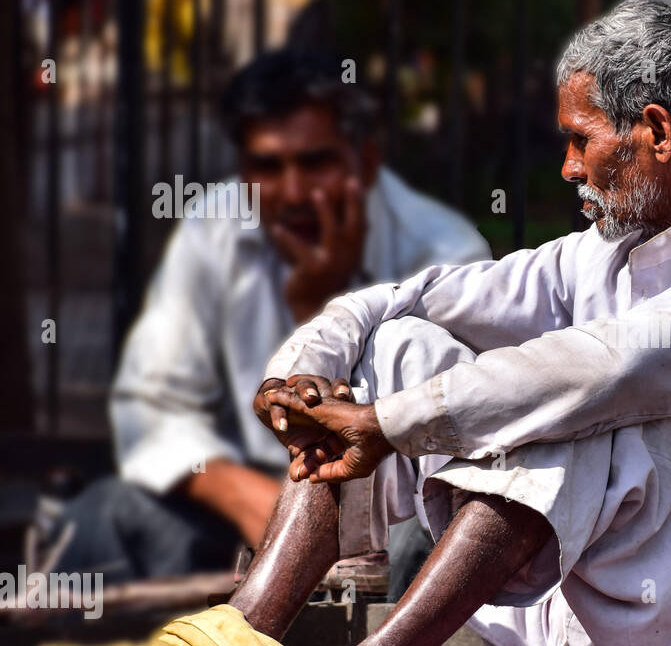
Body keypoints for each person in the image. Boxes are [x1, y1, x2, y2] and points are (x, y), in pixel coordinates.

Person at [201, 0, 671, 646]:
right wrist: (297, 379)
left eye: (581, 140)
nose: (569, 168)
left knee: (582, 413)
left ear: (654, 131)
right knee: (400, 345)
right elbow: (404, 300)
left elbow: (607, 371)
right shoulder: (607, 248)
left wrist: (386, 425)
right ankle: (235, 635)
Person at [51, 49, 490, 584]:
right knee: (105, 515)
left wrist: (326, 305)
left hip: (394, 522)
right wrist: (253, 503)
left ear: (366, 161)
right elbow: (150, 406)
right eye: (268, 167)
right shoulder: (215, 228)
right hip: (250, 507)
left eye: (316, 162)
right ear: (244, 171)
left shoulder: (446, 252)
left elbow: (465, 437)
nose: (294, 192)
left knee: (431, 533)